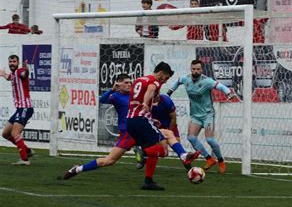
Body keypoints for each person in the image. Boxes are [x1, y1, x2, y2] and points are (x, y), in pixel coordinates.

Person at [62, 73, 198, 183]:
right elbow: (102, 100)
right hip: (128, 132)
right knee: (109, 161)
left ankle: (152, 172)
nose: (129, 84)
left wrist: (152, 120)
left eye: (129, 82)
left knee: (166, 137)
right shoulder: (116, 96)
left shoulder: (135, 95)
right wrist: (112, 89)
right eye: (125, 82)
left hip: (140, 128)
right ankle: (77, 169)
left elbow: (141, 112)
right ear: (118, 84)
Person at [127, 62, 199, 190]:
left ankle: (148, 181)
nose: (165, 82)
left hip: (131, 120)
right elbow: (150, 89)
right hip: (141, 119)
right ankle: (143, 153)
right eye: (165, 78)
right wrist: (145, 103)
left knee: (166, 137)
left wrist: (151, 118)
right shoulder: (155, 81)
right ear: (160, 73)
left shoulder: (139, 80)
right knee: (163, 150)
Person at [167, 59, 235, 174]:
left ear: (202, 70)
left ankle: (221, 161)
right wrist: (169, 93)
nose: (196, 71)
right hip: (195, 115)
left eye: (198, 69)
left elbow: (220, 86)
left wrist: (228, 93)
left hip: (208, 115)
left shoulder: (207, 81)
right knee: (191, 137)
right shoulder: (186, 79)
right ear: (191, 69)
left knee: (210, 140)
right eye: (194, 69)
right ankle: (209, 159)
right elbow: (178, 81)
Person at [0, 55, 35, 165]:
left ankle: (25, 160)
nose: (12, 64)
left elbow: (24, 74)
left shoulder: (20, 71)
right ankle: (28, 151)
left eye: (14, 62)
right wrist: (3, 74)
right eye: (10, 62)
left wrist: (27, 69)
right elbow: (8, 77)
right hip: (19, 109)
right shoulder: (13, 74)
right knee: (5, 134)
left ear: (18, 62)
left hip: (25, 107)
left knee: (15, 133)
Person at [135, 93, 181, 169]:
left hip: (169, 124)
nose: (156, 98)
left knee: (177, 144)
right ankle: (143, 157)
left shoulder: (166, 101)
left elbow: (173, 118)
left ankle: (188, 165)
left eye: (157, 95)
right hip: (155, 125)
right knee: (161, 150)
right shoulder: (145, 102)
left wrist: (169, 130)